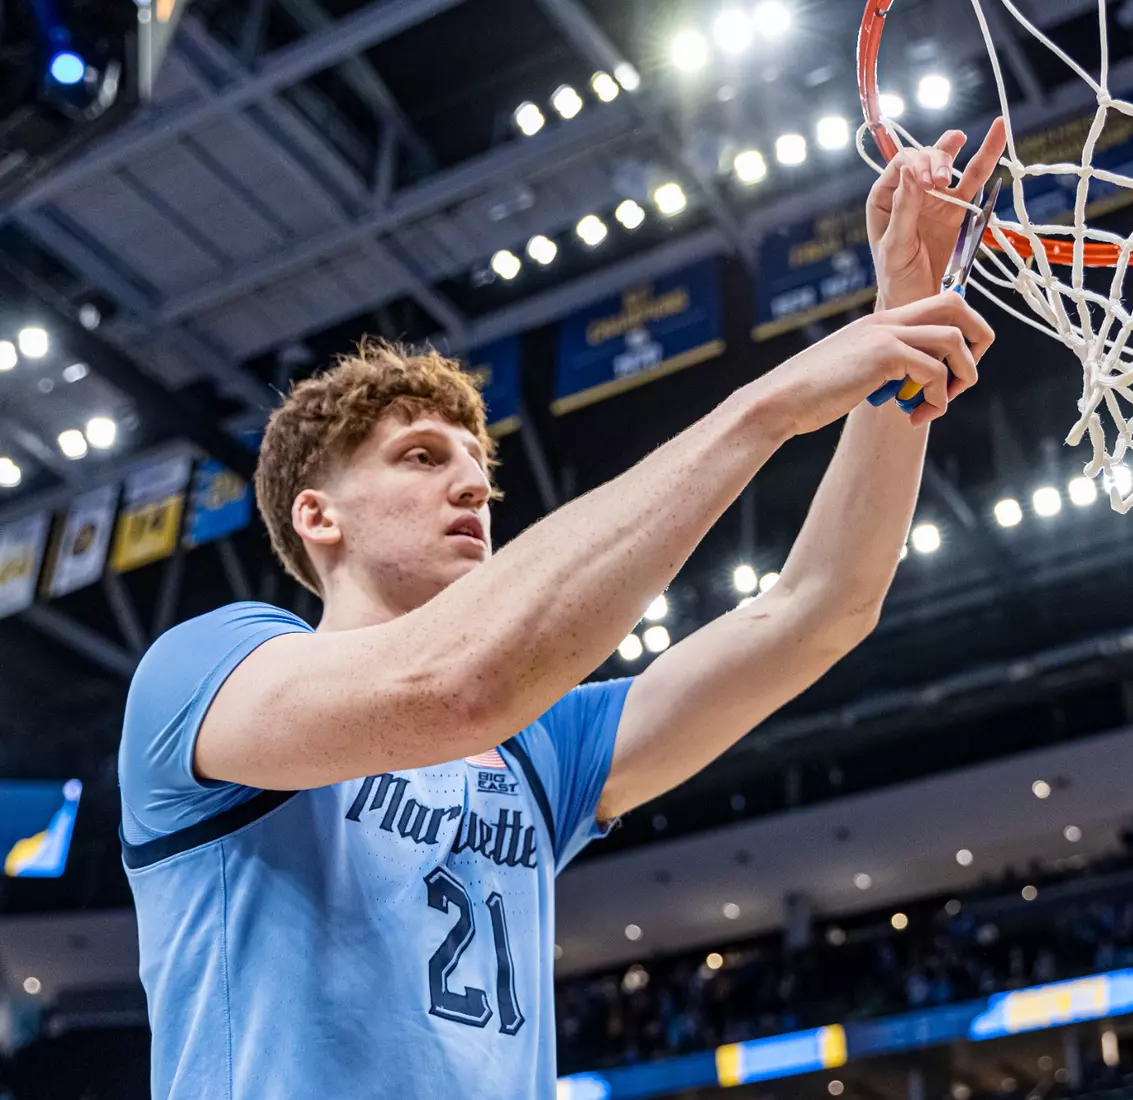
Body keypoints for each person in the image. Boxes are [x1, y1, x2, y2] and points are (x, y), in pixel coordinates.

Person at [117, 122, 1008, 1100]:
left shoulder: (541, 750)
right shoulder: (205, 673)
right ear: (317, 514)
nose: (472, 486)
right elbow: (455, 689)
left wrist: (900, 326)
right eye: (422, 456)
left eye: (478, 467)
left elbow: (821, 605)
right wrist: (771, 404)